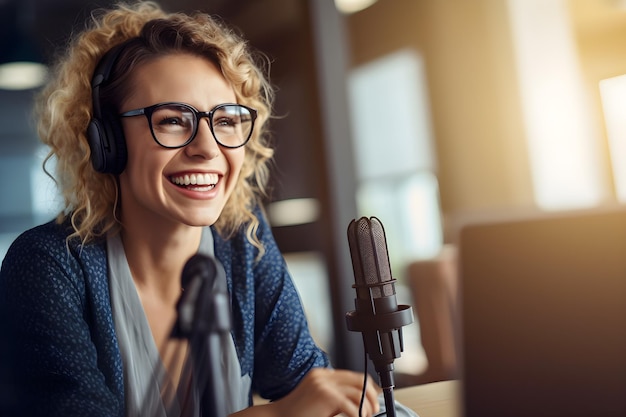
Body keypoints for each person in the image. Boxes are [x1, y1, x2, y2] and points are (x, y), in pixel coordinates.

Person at [0, 1, 392, 416]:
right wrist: (278, 414)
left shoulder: (240, 235)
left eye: (225, 120)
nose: (207, 148)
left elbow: (307, 385)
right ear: (106, 141)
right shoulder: (47, 265)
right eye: (172, 120)